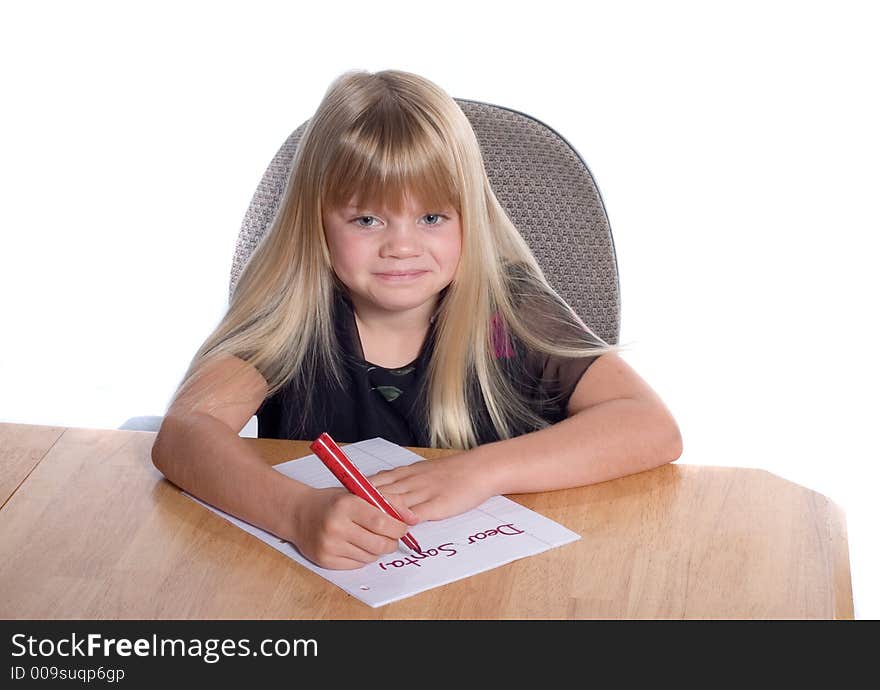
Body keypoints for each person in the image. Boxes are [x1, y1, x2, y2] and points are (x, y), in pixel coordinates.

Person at [151, 68, 682, 570]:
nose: (401, 247)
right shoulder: (295, 317)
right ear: (316, 222)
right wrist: (295, 513)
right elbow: (183, 433)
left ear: (468, 217)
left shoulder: (508, 314)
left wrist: (481, 471)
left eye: (431, 217)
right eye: (367, 218)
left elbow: (651, 426)